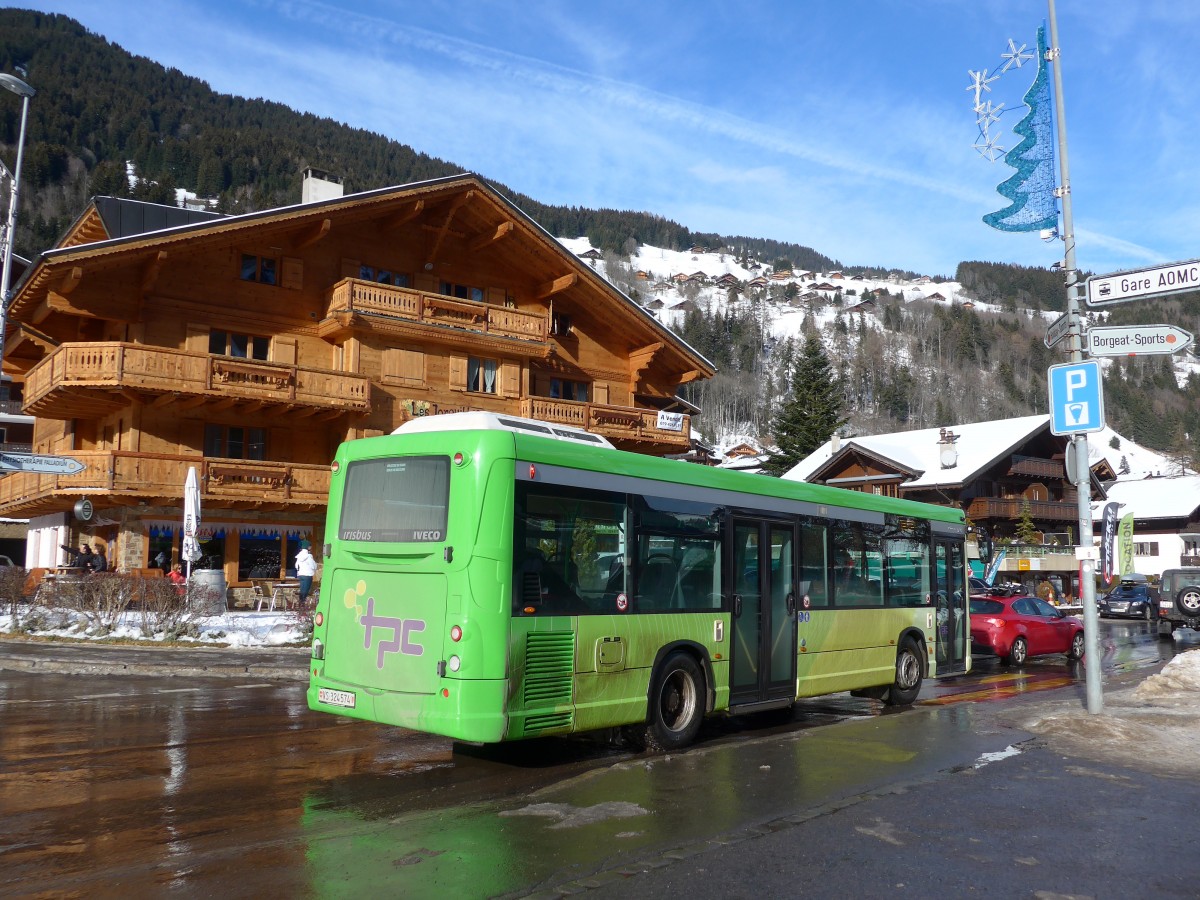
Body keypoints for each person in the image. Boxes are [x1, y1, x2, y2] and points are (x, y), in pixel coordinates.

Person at [295, 540, 318, 606]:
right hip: (308, 575)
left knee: (302, 589)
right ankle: (302, 604)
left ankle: (300, 603)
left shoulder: (299, 556)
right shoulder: (309, 556)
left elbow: (296, 566)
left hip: (301, 575)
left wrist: (300, 570)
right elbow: (314, 566)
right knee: (305, 591)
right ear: (308, 547)